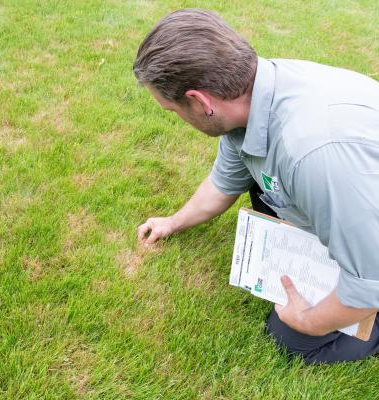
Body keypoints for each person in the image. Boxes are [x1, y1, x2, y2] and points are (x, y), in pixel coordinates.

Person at [132, 8, 379, 364]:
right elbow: (224, 181)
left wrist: (310, 320)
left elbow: (370, 280)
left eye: (173, 110)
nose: (179, 120)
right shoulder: (252, 94)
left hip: (367, 241)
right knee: (265, 196)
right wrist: (173, 221)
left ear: (201, 101)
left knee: (291, 338)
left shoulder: (310, 153)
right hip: (353, 194)